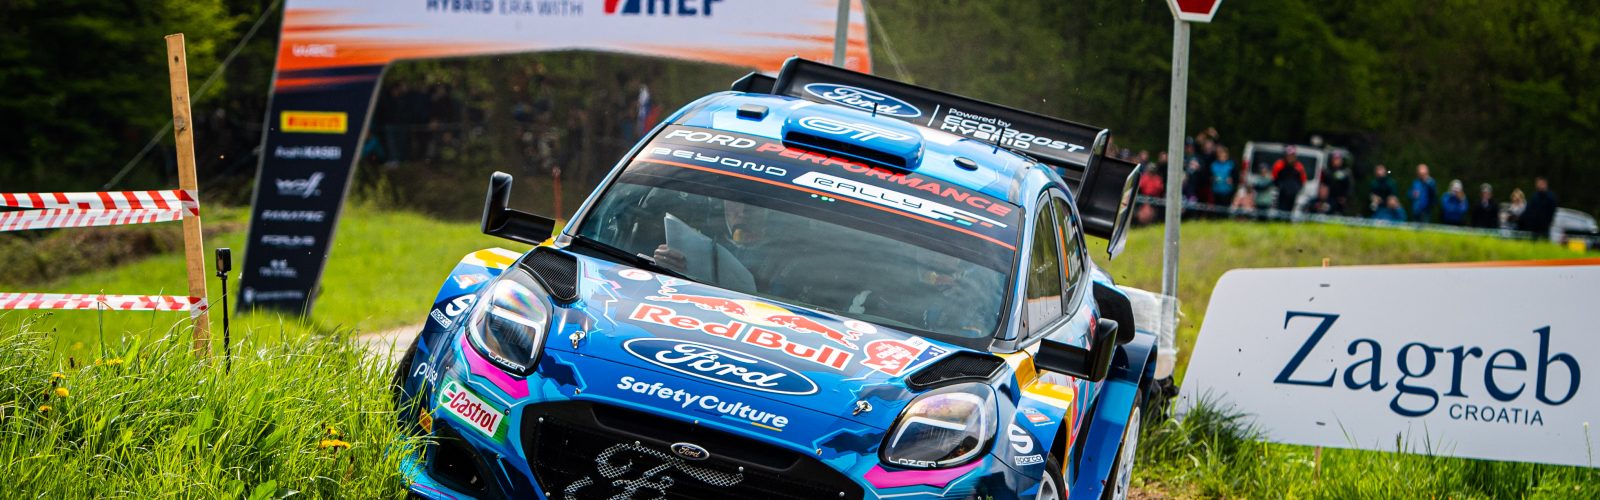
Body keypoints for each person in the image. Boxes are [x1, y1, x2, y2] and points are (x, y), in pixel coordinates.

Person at [1271, 147, 1307, 212]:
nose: (1290, 157)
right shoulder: (1279, 164)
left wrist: (1296, 189)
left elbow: (1303, 179)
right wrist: (1280, 186)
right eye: (1288, 155)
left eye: (1292, 155)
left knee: (1291, 210)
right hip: (1282, 193)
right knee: (1280, 209)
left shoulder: (1299, 166)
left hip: (1293, 194)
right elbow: (1274, 177)